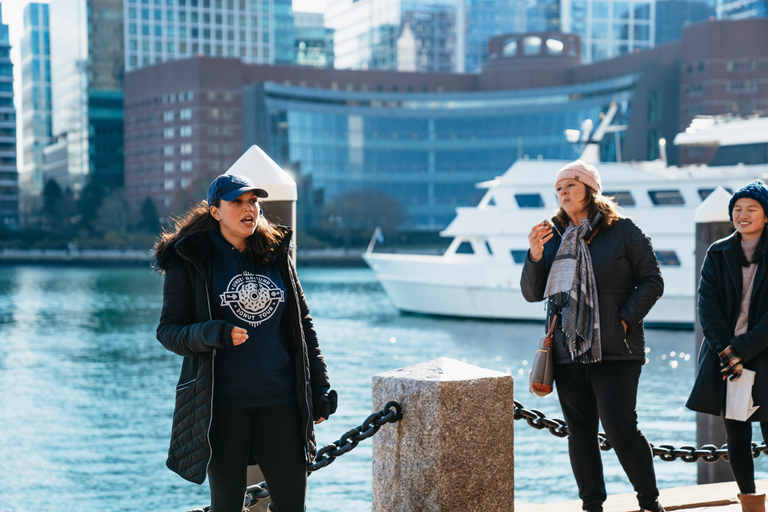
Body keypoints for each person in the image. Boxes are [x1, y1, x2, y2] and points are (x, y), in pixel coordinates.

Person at [154, 173, 337, 512]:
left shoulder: (275, 254)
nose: (248, 208)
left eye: (253, 201)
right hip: (222, 405)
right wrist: (214, 333)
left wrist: (319, 389)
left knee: (292, 505)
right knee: (227, 507)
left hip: (281, 400)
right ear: (215, 212)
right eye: (236, 202)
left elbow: (303, 327)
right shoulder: (190, 260)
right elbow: (169, 332)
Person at [521, 160, 665, 512]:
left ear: (590, 189)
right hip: (567, 350)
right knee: (580, 434)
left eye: (570, 185)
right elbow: (532, 293)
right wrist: (535, 255)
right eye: (558, 189)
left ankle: (649, 503)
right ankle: (592, 506)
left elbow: (652, 281)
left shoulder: (623, 231)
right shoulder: (553, 236)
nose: (563, 193)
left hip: (616, 349)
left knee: (620, 429)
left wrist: (623, 323)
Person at [687, 180, 768, 512]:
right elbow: (706, 305)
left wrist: (743, 348)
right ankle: (751, 503)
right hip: (728, 357)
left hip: (760, 352)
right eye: (737, 209)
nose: (742, 215)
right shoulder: (718, 251)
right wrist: (726, 349)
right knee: (736, 433)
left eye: (751, 209)